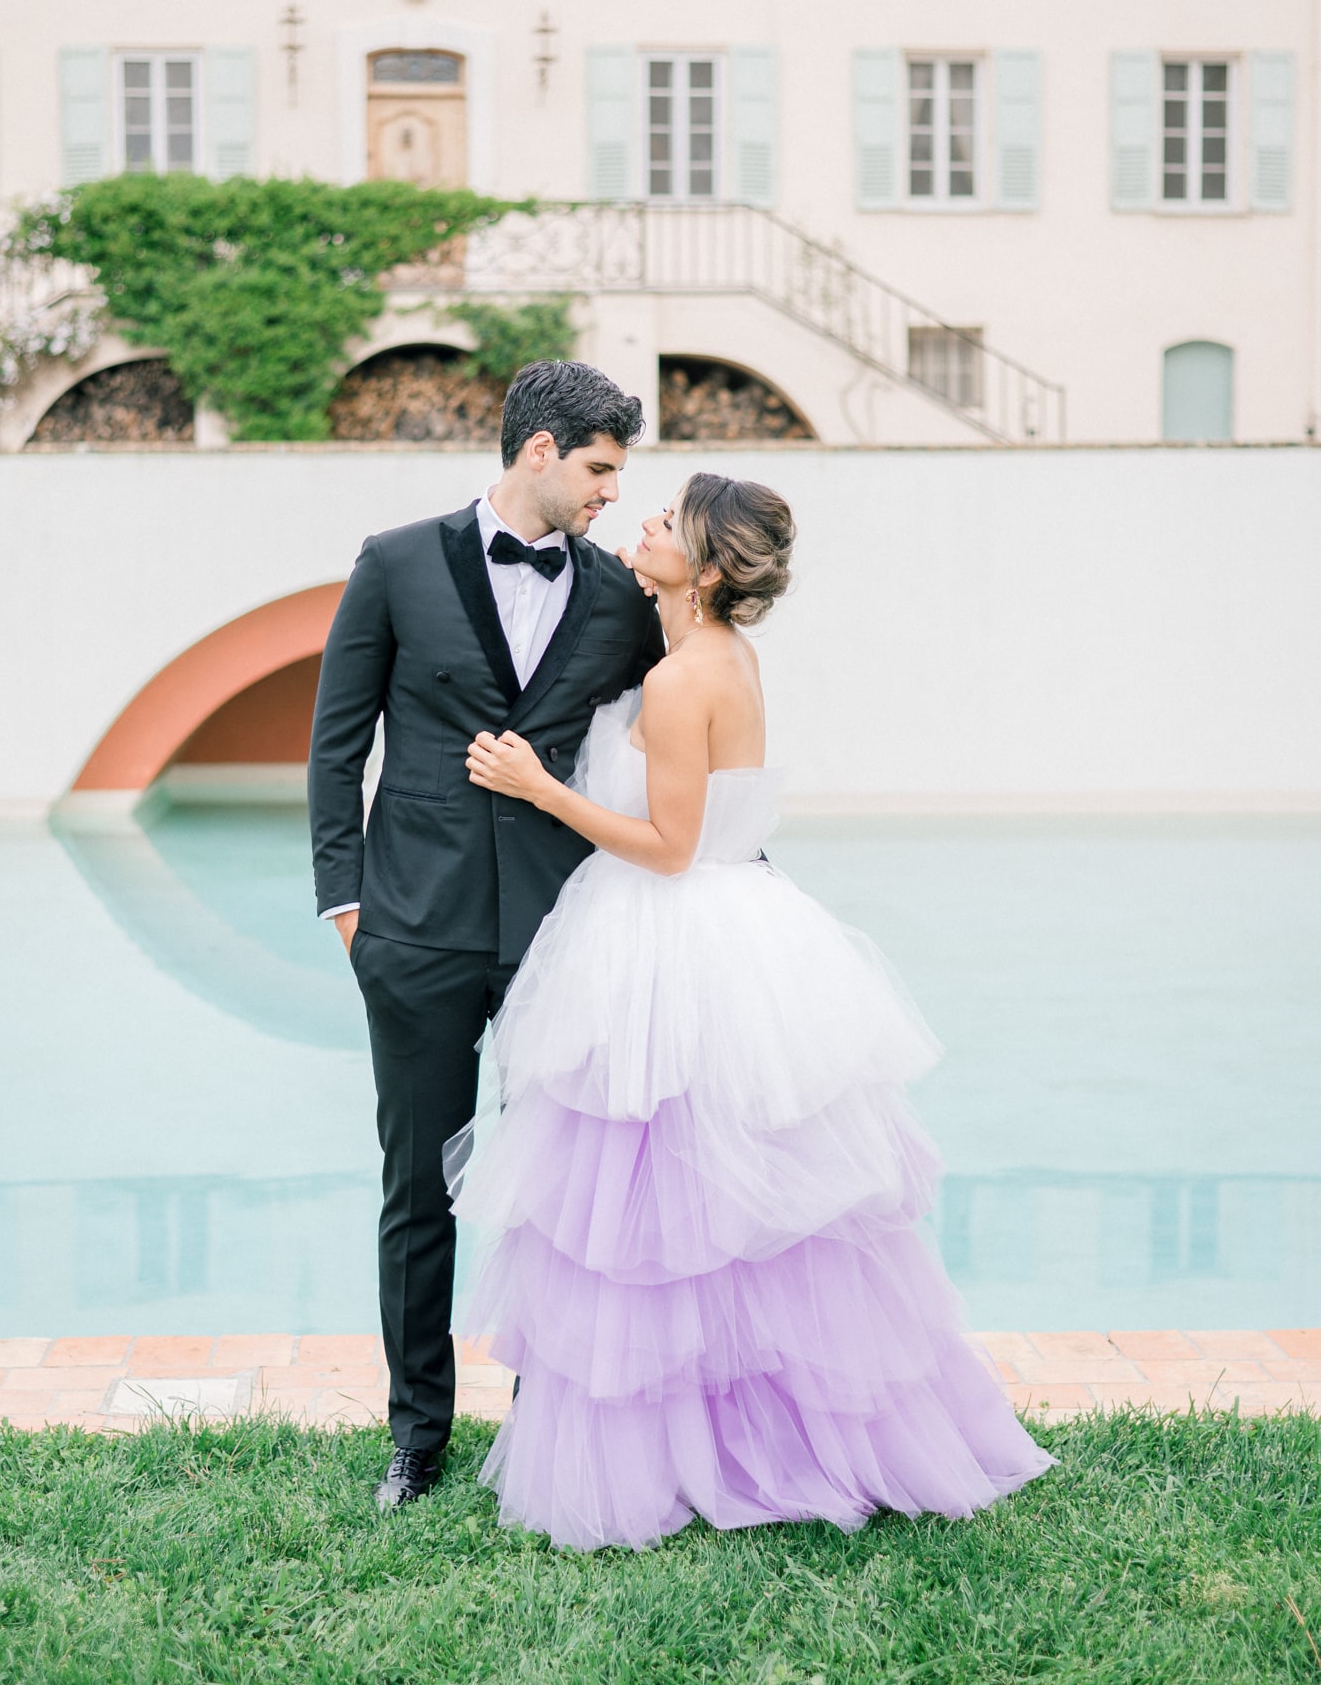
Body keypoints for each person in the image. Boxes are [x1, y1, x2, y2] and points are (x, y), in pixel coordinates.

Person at [452, 472, 1054, 1550]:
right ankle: (733, 1436)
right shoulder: (712, 656)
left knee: (663, 1217)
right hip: (729, 927)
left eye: (668, 523)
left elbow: (668, 848)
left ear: (712, 569)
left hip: (678, 932)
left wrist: (538, 786)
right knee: (723, 1224)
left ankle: (693, 1454)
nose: (645, 523)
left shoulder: (687, 678)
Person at [308, 360, 663, 1510]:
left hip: (563, 927)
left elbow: (666, 746)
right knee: (418, 1184)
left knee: (562, 1190)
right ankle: (417, 1438)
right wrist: (346, 905)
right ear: (539, 451)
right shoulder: (396, 559)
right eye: (601, 467)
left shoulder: (619, 600)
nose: (612, 490)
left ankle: (546, 1425)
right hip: (410, 927)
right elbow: (334, 742)